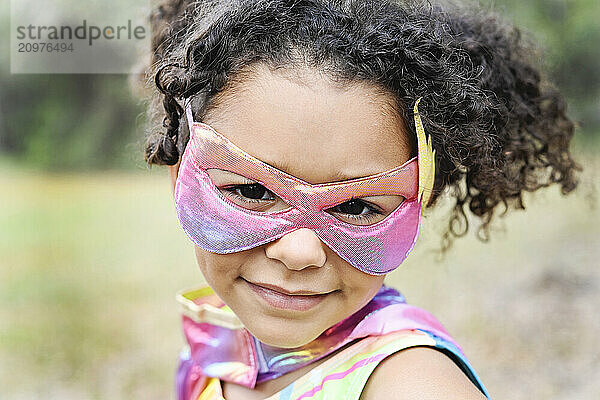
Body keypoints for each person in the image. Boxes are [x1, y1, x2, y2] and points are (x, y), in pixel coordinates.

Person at [141, 1, 580, 399]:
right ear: (178, 170)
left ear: (420, 200)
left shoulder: (413, 387)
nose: (300, 252)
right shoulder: (218, 341)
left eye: (355, 206)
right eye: (252, 191)